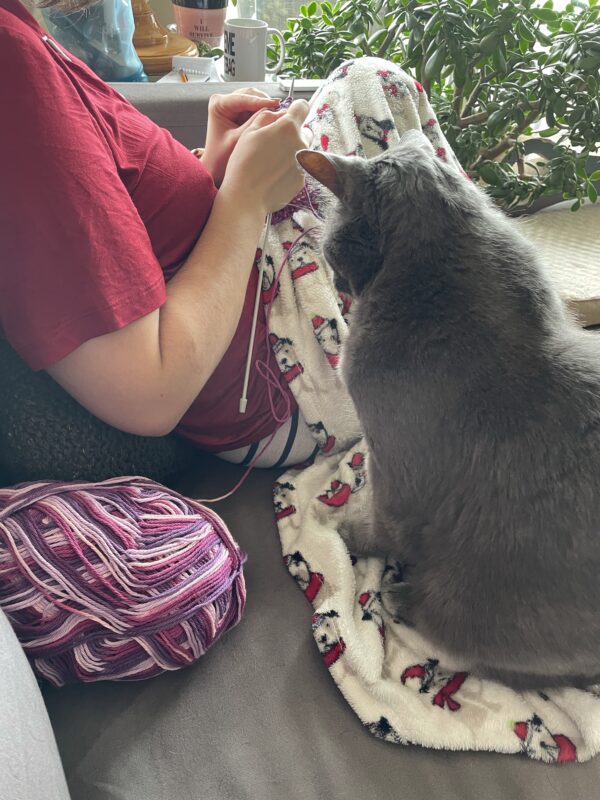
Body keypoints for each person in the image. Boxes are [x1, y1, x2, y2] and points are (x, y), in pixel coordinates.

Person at [1, 0, 459, 470]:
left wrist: (207, 173)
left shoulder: (21, 26)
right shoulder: (9, 65)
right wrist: (245, 196)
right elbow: (150, 393)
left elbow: (119, 224)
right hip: (281, 376)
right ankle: (467, 343)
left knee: (365, 94)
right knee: (370, 84)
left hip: (265, 292)